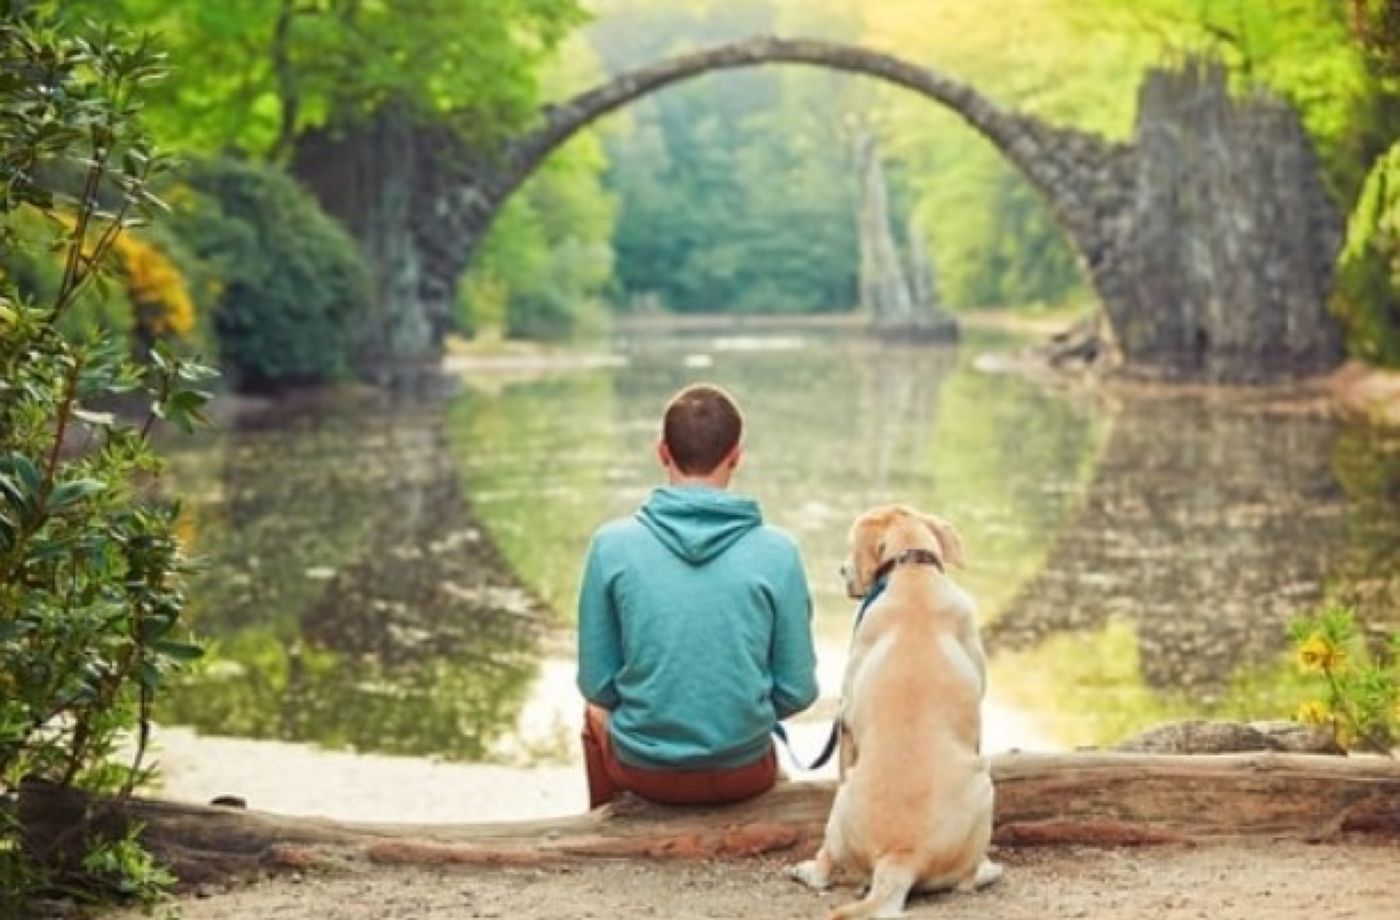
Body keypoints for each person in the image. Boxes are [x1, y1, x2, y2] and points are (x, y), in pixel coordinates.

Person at [576, 383, 819, 808]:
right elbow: (797, 689)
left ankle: (608, 826)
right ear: (736, 456)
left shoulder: (610, 546)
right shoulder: (779, 552)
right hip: (745, 772)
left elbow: (597, 685)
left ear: (662, 452)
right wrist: (735, 715)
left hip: (643, 770)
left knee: (593, 717)